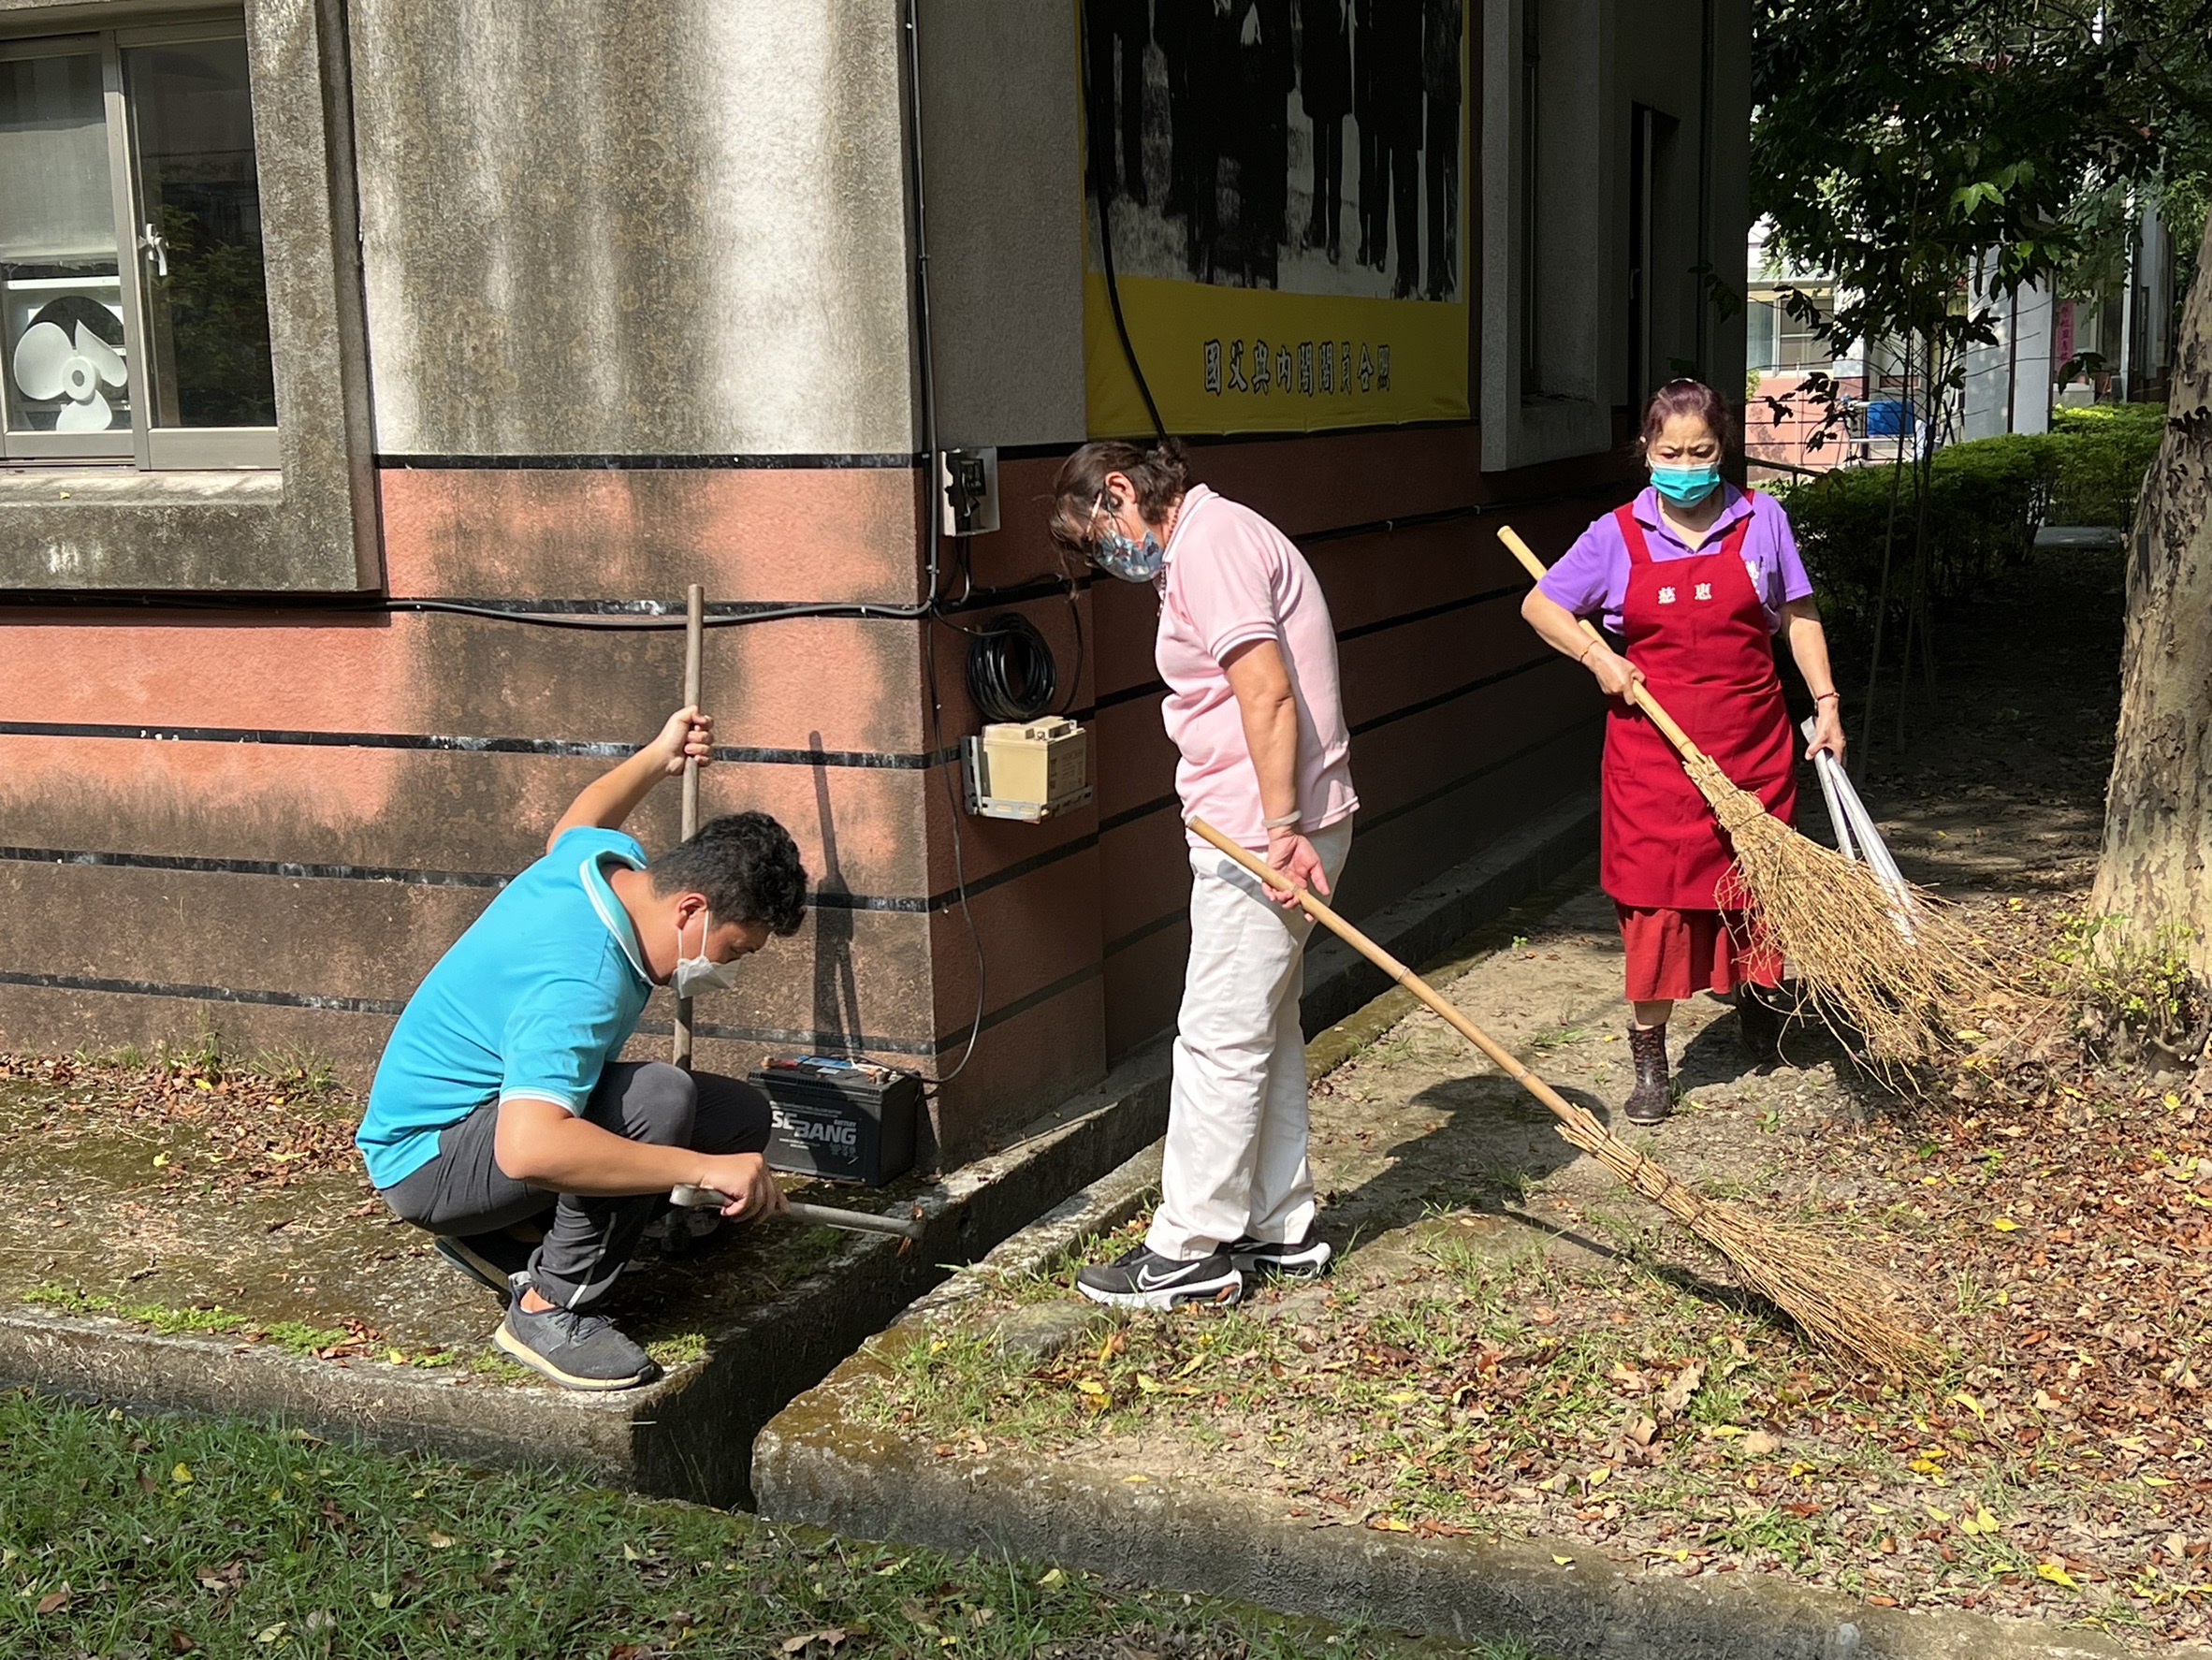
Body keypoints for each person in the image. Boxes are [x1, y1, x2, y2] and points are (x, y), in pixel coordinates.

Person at [355, 708, 809, 1391]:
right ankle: (550, 1305)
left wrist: (659, 757)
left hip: (482, 1127)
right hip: (431, 1161)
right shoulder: (579, 981)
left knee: (738, 1120)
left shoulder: (607, 869)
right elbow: (528, 1150)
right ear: (690, 910)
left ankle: (511, 1237)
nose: (730, 968)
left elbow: (579, 817)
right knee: (660, 1100)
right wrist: (703, 1171)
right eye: (734, 948)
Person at [1048, 440, 1359, 1309]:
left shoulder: (1212, 545)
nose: (1104, 556)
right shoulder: (1211, 541)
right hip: (1266, 827)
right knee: (1266, 1029)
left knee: (1218, 1037)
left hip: (1263, 837)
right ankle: (1278, 1225)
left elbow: (1264, 692)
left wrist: (1282, 829)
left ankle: (1187, 1249)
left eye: (1094, 536)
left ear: (1120, 492)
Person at [1520, 380, 1844, 1124]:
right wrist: (1597, 657)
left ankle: (1761, 1003)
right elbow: (1541, 605)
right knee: (1654, 902)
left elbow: (1798, 616)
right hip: (1654, 757)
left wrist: (1825, 705)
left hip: (1750, 741)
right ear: (1646, 451)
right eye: (1671, 453)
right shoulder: (1615, 534)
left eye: (1701, 452)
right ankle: (1650, 1056)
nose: (1687, 466)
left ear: (1722, 449)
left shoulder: (1762, 520)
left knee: (1759, 885)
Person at [1299, 0, 1352, 261]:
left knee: (1335, 142)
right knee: (1319, 138)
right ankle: (1317, 223)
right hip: (1315, 36)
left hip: (1335, 38)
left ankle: (1335, 233)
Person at [1419, 0, 1460, 299]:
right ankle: (1436, 270)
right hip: (1435, 77)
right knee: (1435, 175)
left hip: (1455, 80)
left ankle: (1450, 269)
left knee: (1452, 180)